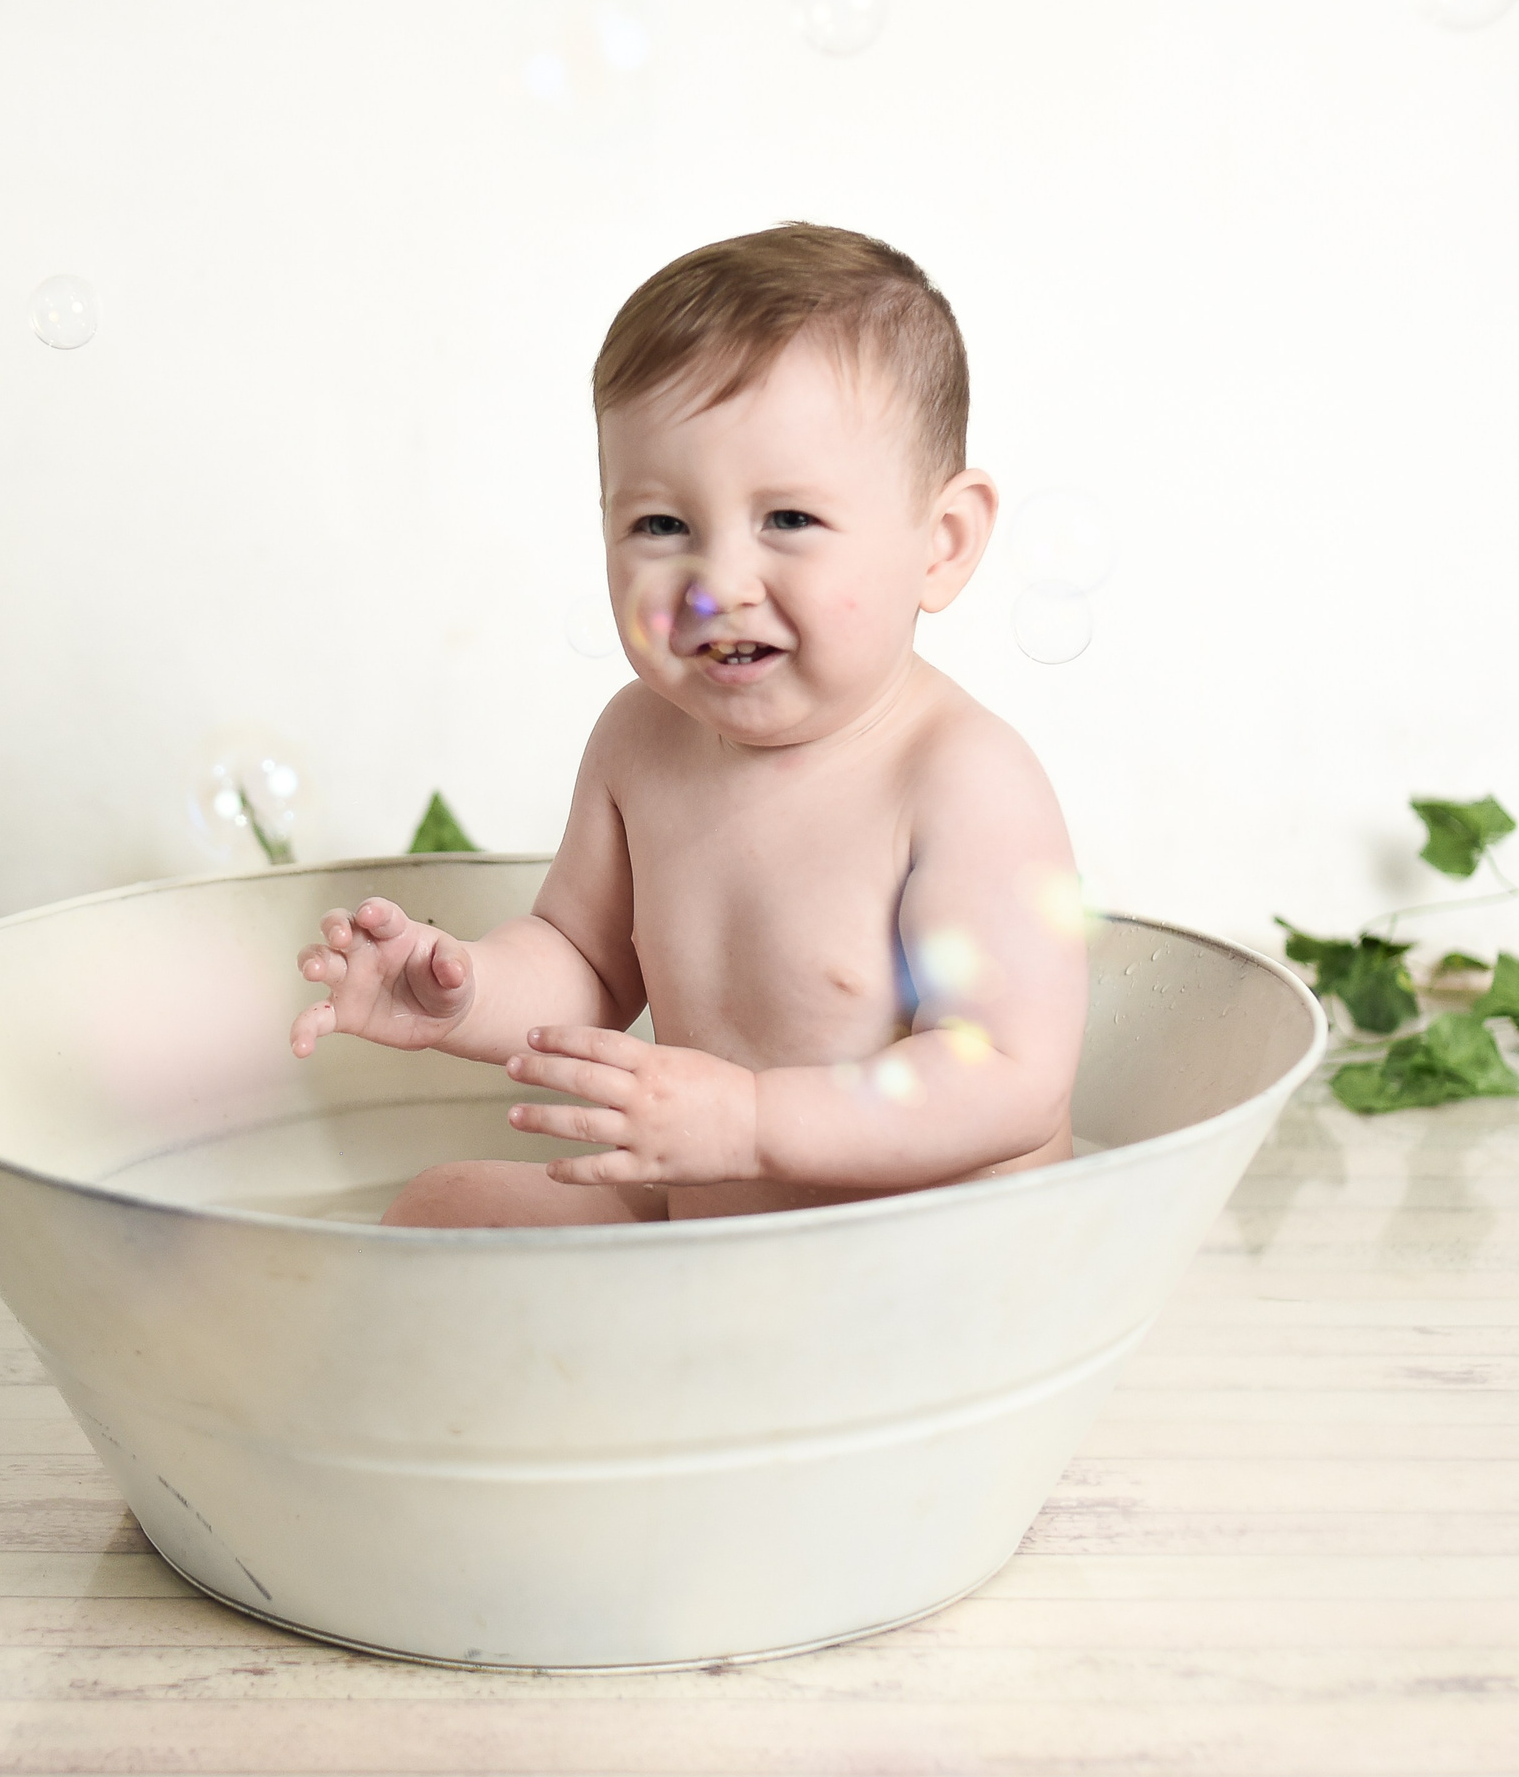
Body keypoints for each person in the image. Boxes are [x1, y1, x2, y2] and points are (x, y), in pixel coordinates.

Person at [291, 223, 1087, 1225]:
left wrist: (754, 1120)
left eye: (787, 520)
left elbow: (1009, 1074)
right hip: (711, 1210)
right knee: (439, 1208)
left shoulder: (962, 779)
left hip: (917, 1252)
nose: (718, 586)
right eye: (661, 525)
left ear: (942, 542)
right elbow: (582, 965)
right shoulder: (638, 743)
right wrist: (463, 990)